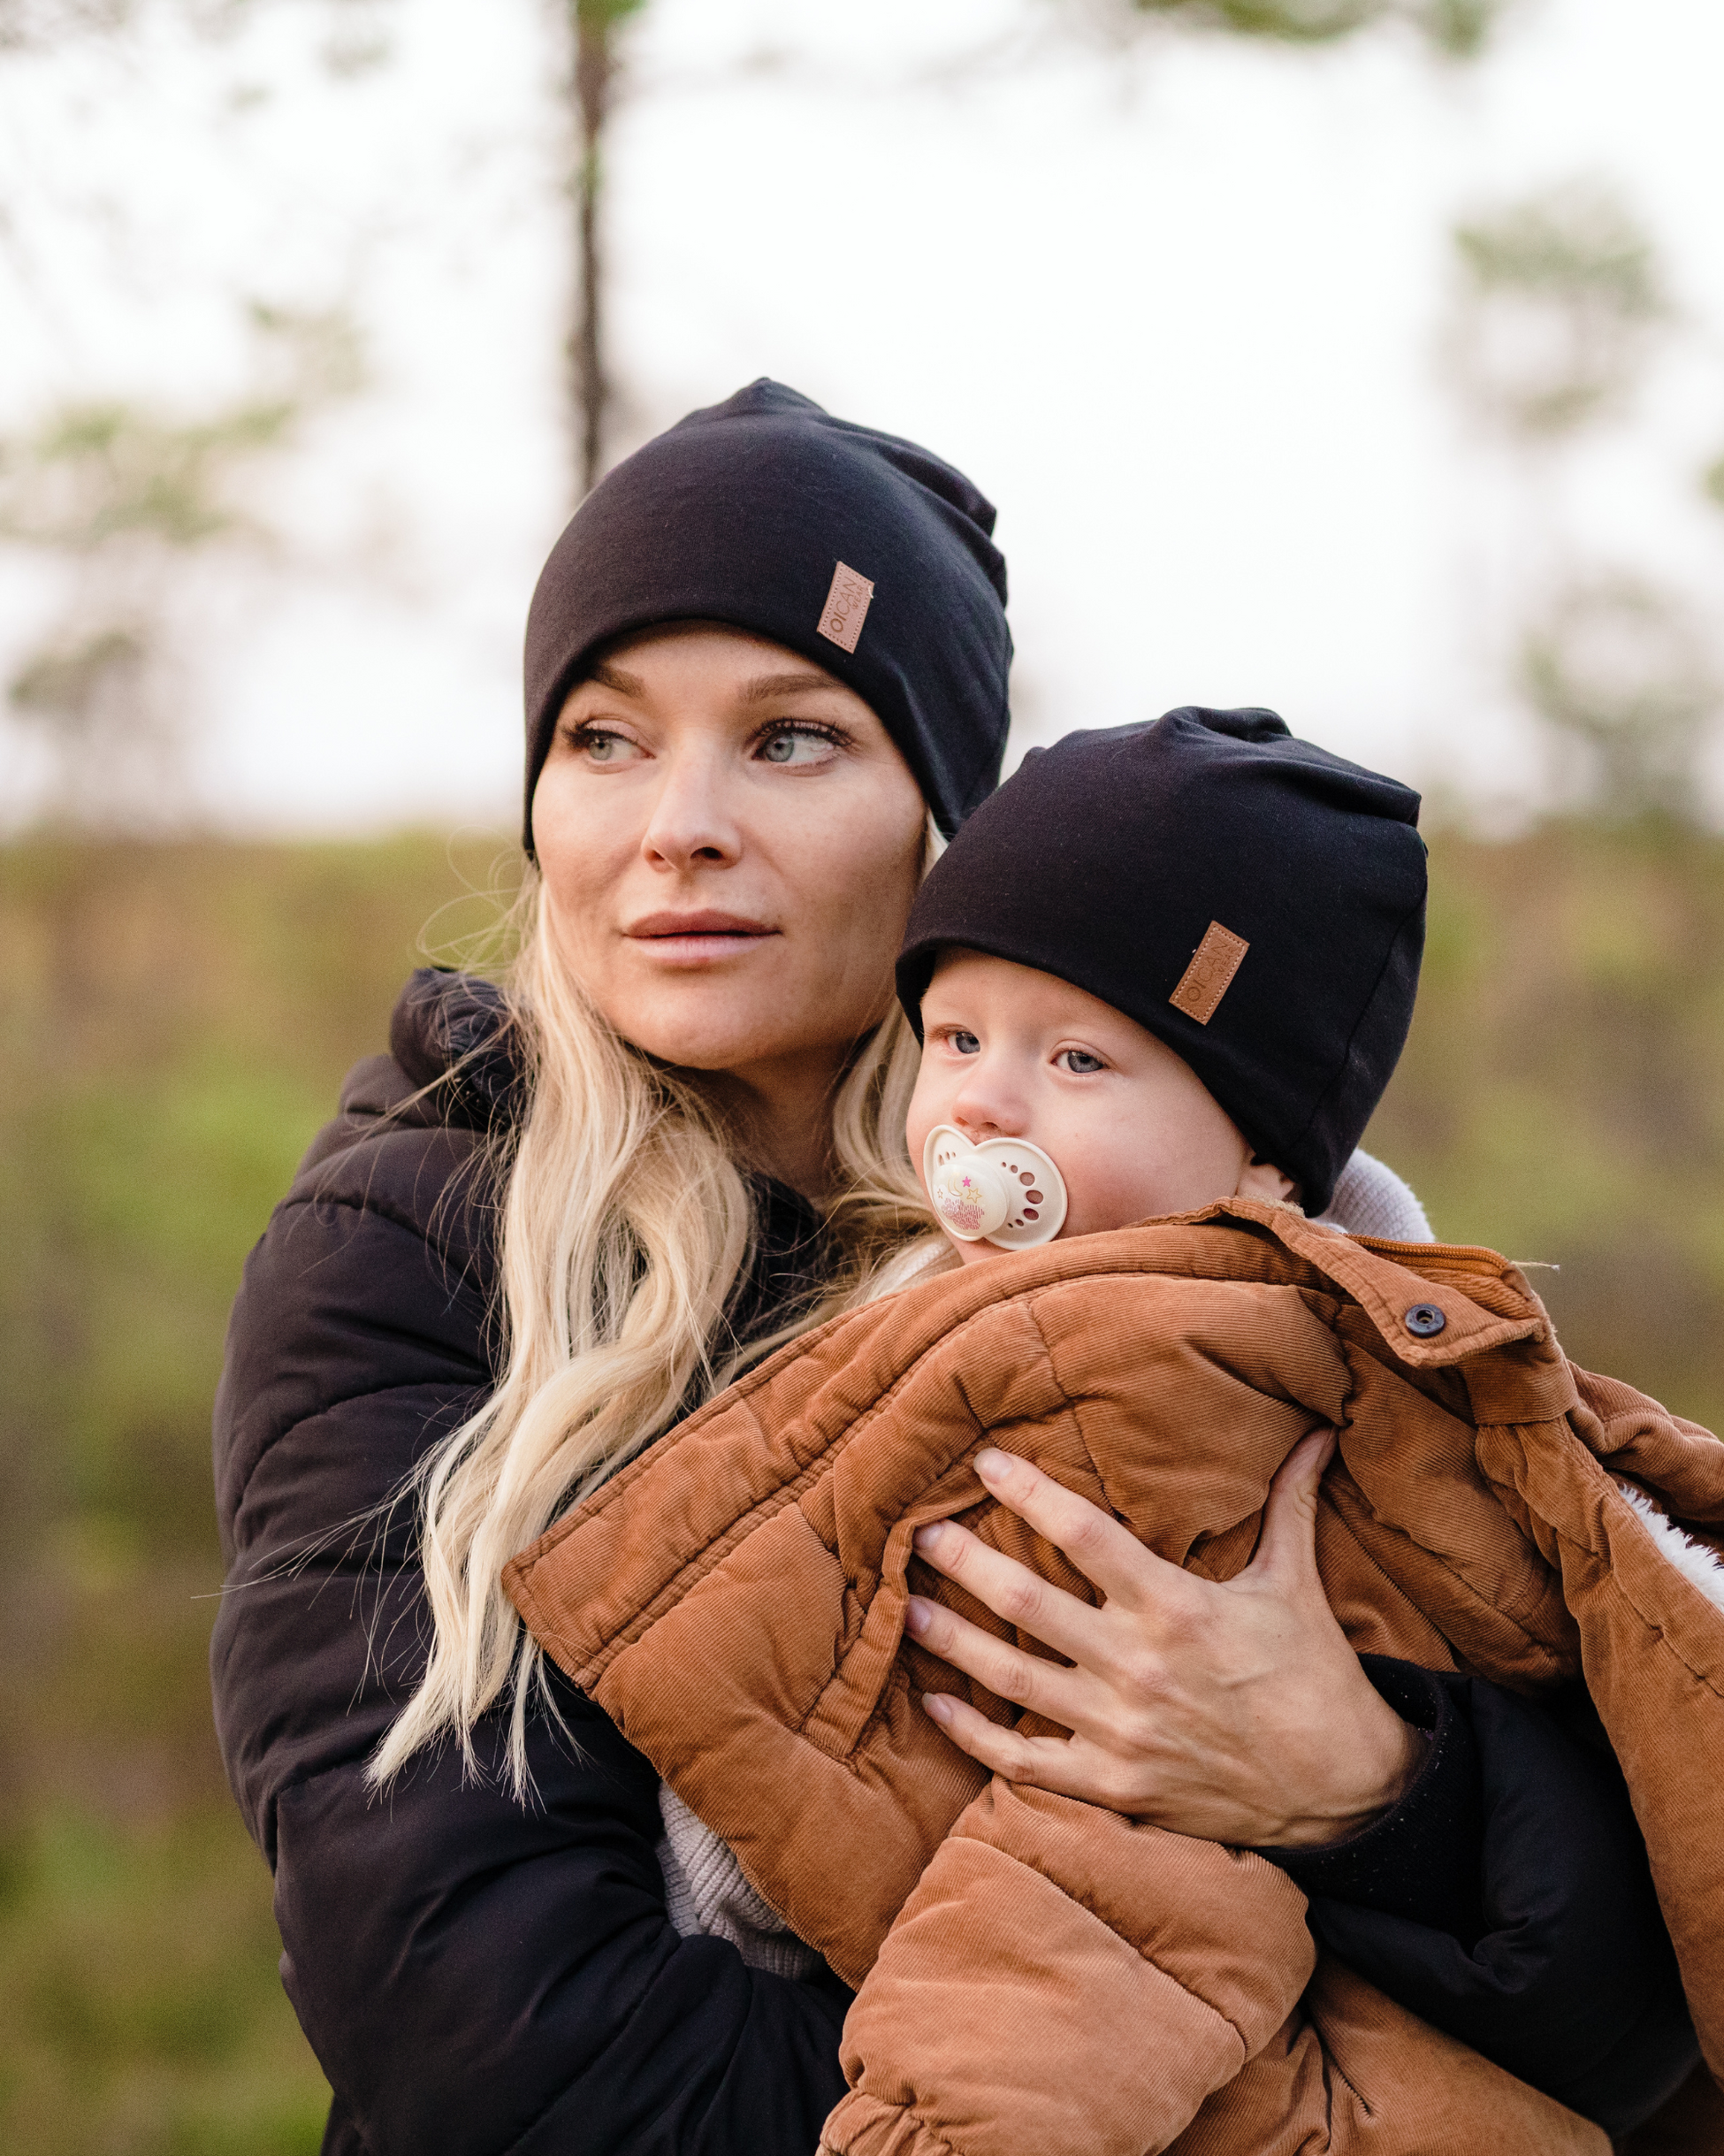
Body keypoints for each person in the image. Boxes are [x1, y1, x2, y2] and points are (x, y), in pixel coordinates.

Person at [210, 384, 1694, 2156]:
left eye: (790, 738)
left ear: (946, 816)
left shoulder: (1240, 1267)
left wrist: (1370, 1785)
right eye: (603, 737)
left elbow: (1643, 2019)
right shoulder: (410, 1248)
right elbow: (495, 2047)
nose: (679, 823)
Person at [504, 710, 1720, 2153]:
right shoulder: (973, 1309)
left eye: (1076, 1059)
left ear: (1262, 1159)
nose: (979, 1101)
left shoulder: (1174, 1384)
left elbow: (1096, 1872)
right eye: (955, 1035)